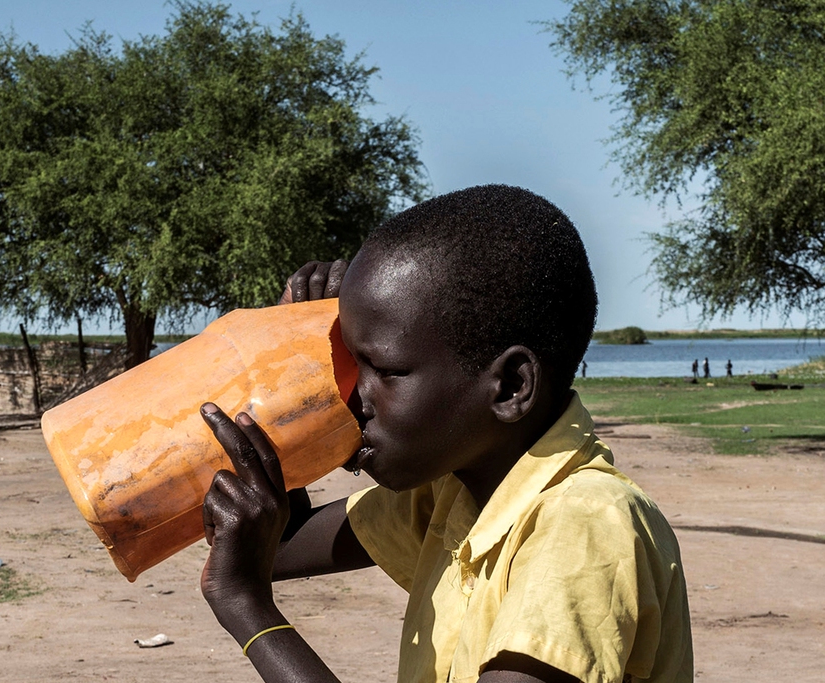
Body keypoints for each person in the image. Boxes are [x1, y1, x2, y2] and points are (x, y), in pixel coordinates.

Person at [196, 185, 693, 683]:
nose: (351, 399)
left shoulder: (587, 522)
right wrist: (290, 367)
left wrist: (249, 611)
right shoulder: (453, 497)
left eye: (384, 370)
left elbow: (255, 567)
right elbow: (273, 545)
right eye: (349, 365)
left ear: (511, 387)